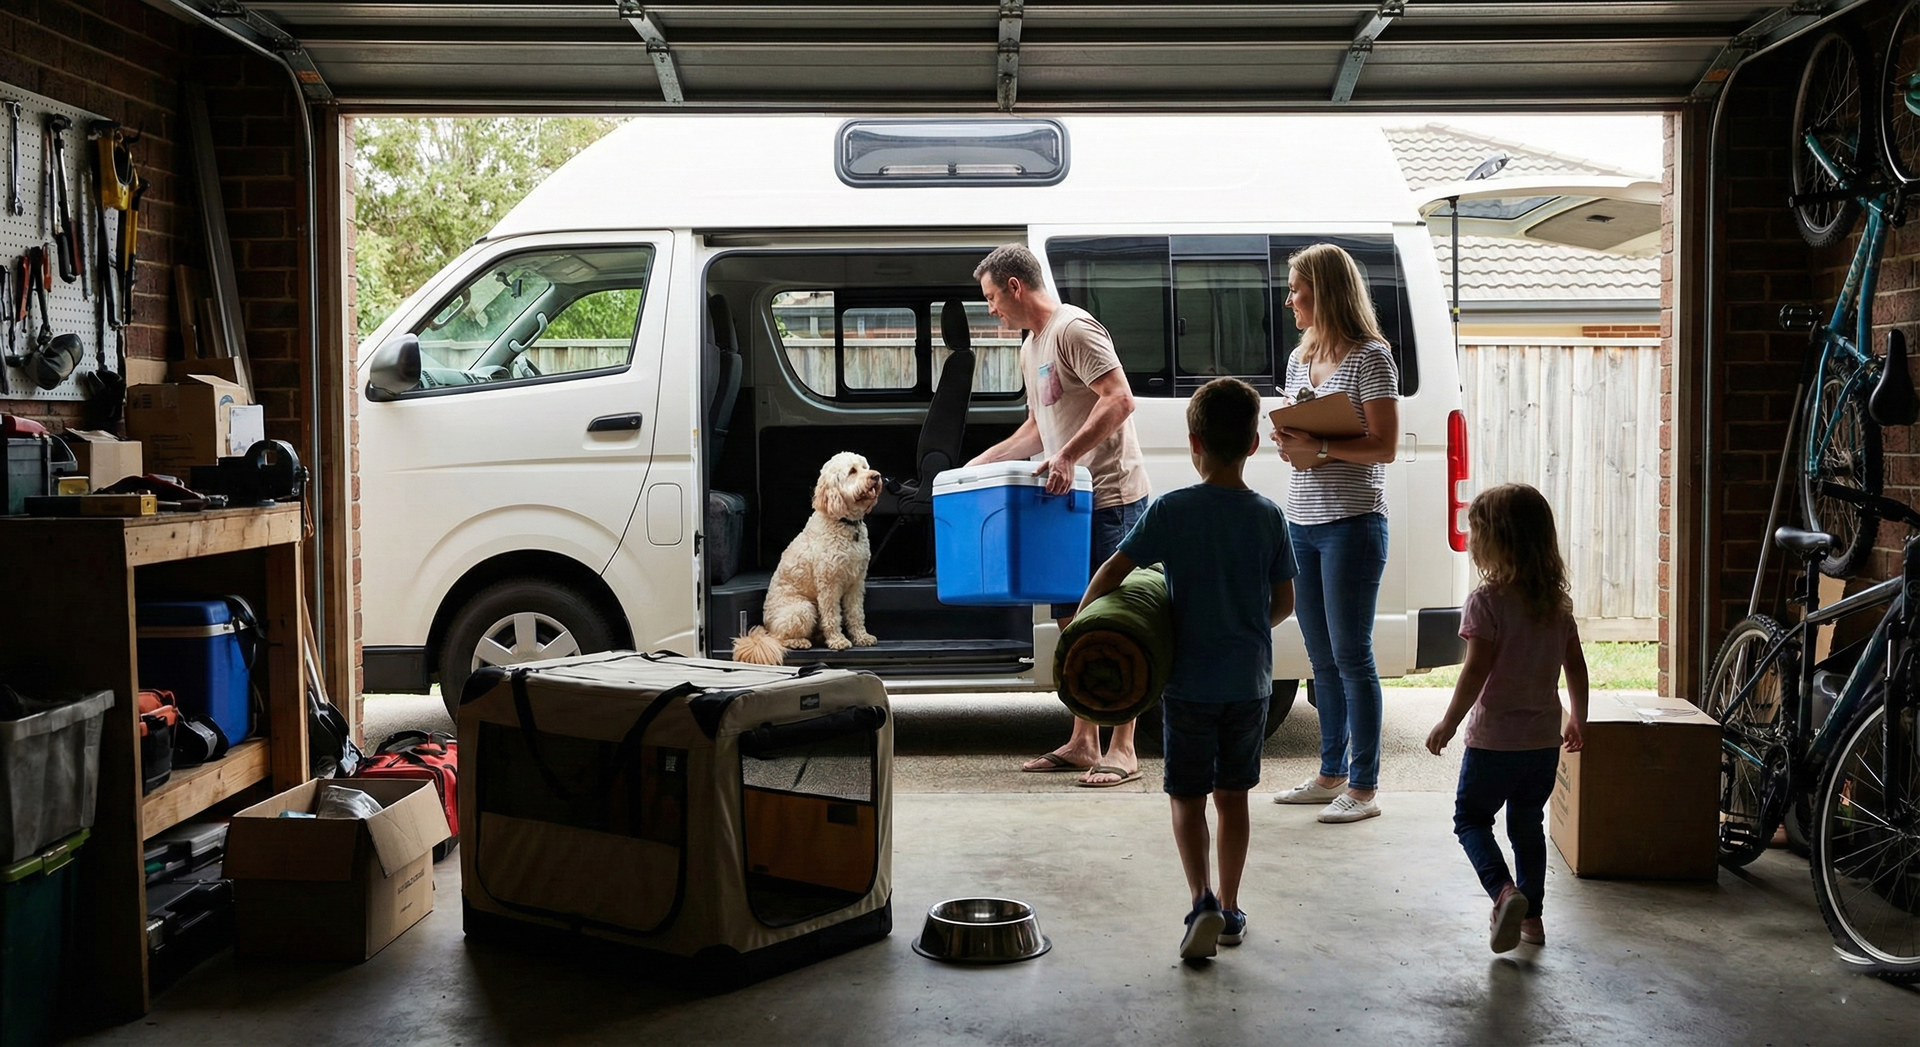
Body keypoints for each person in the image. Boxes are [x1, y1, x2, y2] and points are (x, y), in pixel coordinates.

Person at [1078, 377, 1295, 960]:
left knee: (1186, 796)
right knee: (1234, 796)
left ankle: (1199, 898)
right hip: (1249, 684)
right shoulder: (1269, 517)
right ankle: (1228, 906)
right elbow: (1284, 604)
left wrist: (1084, 629)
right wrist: (1244, 630)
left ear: (1193, 442)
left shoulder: (1172, 510)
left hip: (1189, 685)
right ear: (1254, 444)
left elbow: (1111, 574)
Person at [968, 243, 1153, 788]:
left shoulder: (1075, 329)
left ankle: (1123, 747)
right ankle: (1082, 740)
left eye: (991, 298)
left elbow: (1119, 399)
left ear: (1015, 286)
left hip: (1111, 497)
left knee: (1114, 623)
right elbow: (1035, 429)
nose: (991, 310)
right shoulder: (1031, 346)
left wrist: (1069, 455)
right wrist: (979, 464)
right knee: (1073, 623)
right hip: (1066, 504)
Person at [1424, 483, 1589, 953]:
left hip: (1493, 740)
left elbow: (1476, 670)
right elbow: (1575, 666)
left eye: (1475, 529)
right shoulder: (1557, 605)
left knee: (1470, 820)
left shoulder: (1487, 602)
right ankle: (1532, 920)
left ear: (1495, 540)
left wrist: (1449, 723)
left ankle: (1503, 891)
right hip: (1541, 740)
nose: (1470, 537)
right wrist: (1578, 718)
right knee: (1526, 825)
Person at [1267, 243, 1400, 823]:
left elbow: (1385, 446)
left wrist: (1318, 448)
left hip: (1353, 524)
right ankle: (1330, 774)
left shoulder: (1373, 358)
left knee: (1352, 656)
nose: (1289, 298)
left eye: (1297, 288)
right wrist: (1291, 441)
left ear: (1325, 292)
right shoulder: (1301, 358)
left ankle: (1364, 788)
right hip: (1303, 521)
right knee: (1320, 657)